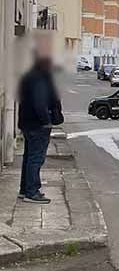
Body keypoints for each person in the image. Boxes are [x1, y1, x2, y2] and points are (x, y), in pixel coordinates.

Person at [18, 47, 62, 204]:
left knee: (29, 158)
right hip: (37, 125)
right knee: (36, 158)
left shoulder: (29, 74)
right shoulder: (40, 77)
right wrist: (47, 122)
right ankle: (31, 192)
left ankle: (25, 190)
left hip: (27, 122)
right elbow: (40, 102)